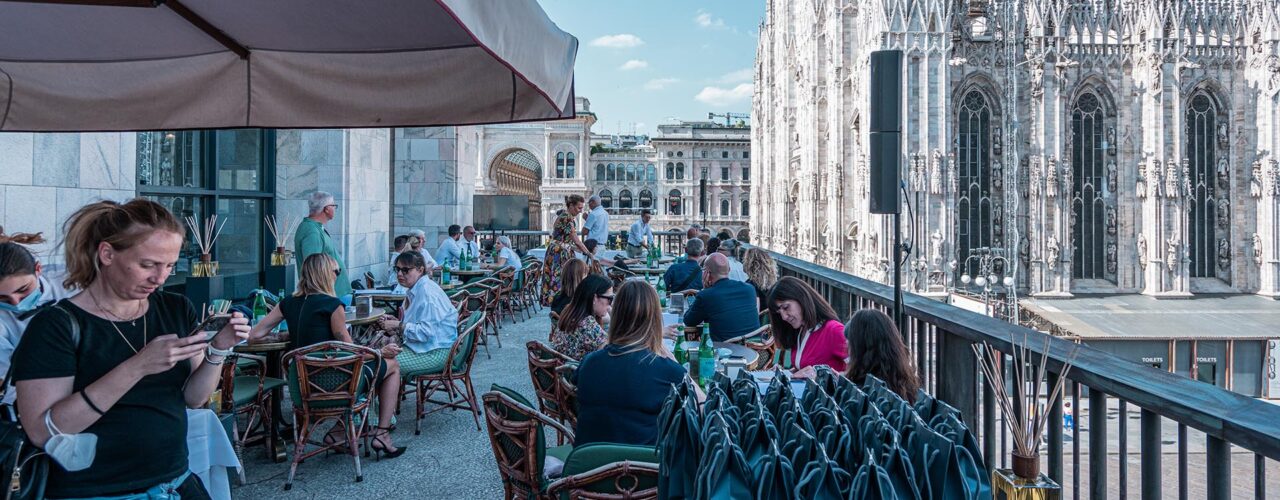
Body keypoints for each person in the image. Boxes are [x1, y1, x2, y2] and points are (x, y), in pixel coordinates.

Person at [13, 199, 250, 498]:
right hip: (95, 491)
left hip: (175, 482)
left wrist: (219, 349)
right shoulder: (56, 325)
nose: (160, 277)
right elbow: (43, 430)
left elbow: (194, 398)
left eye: (170, 265)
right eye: (147, 265)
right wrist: (137, 367)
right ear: (107, 253)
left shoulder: (175, 307)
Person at [248, 253, 406, 457]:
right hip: (334, 384)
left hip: (302, 385)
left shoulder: (287, 303)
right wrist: (379, 352)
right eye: (336, 271)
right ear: (324, 274)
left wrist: (290, 335)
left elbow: (254, 335)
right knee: (390, 366)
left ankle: (339, 432)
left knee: (369, 368)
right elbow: (354, 353)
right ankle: (382, 434)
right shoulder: (333, 306)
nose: (337, 276)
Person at [574, 280, 691, 446]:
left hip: (588, 467)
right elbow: (705, 408)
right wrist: (664, 349)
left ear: (616, 315)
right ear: (655, 319)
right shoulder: (667, 371)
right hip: (644, 467)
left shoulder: (588, 363)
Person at [0, 229, 79, 403]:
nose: (15, 302)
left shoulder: (72, 280)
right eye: (2, 298)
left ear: (38, 269)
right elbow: (9, 382)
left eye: (23, 290)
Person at [380, 251, 459, 356]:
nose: (399, 274)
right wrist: (396, 323)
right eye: (397, 269)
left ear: (420, 270)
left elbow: (426, 333)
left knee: (382, 362)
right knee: (378, 357)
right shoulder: (416, 289)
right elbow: (418, 323)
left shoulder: (427, 293)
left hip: (435, 350)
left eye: (405, 270)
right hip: (424, 346)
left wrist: (398, 325)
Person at [768, 277, 848, 378]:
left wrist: (822, 375)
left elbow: (862, 372)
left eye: (786, 307)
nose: (784, 317)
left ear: (801, 298)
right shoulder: (800, 330)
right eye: (779, 313)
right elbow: (805, 367)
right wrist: (787, 373)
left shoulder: (834, 330)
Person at [843, 308, 920, 403]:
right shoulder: (899, 379)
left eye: (850, 344)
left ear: (860, 349)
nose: (848, 350)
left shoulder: (865, 392)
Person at [682, 253, 758, 342]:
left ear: (706, 273)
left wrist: (704, 290)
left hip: (725, 350)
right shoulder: (749, 289)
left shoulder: (706, 295)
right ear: (729, 270)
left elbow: (689, 321)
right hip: (755, 348)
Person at [296, 191, 352, 302]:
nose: (335, 208)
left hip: (335, 294)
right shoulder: (312, 232)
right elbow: (313, 269)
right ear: (326, 209)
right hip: (330, 297)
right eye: (333, 205)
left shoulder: (315, 228)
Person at [541, 195, 593, 306]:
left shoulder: (565, 215)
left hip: (558, 250)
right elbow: (576, 240)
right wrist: (588, 253)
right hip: (559, 252)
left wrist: (579, 250)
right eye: (578, 208)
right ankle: (560, 302)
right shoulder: (567, 217)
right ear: (571, 205)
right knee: (560, 276)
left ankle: (558, 301)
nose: (580, 211)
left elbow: (567, 240)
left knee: (559, 276)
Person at [549, 275, 612, 360]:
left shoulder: (570, 312)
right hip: (577, 372)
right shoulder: (587, 325)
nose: (610, 304)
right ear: (594, 298)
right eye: (609, 299)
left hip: (562, 369)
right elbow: (613, 353)